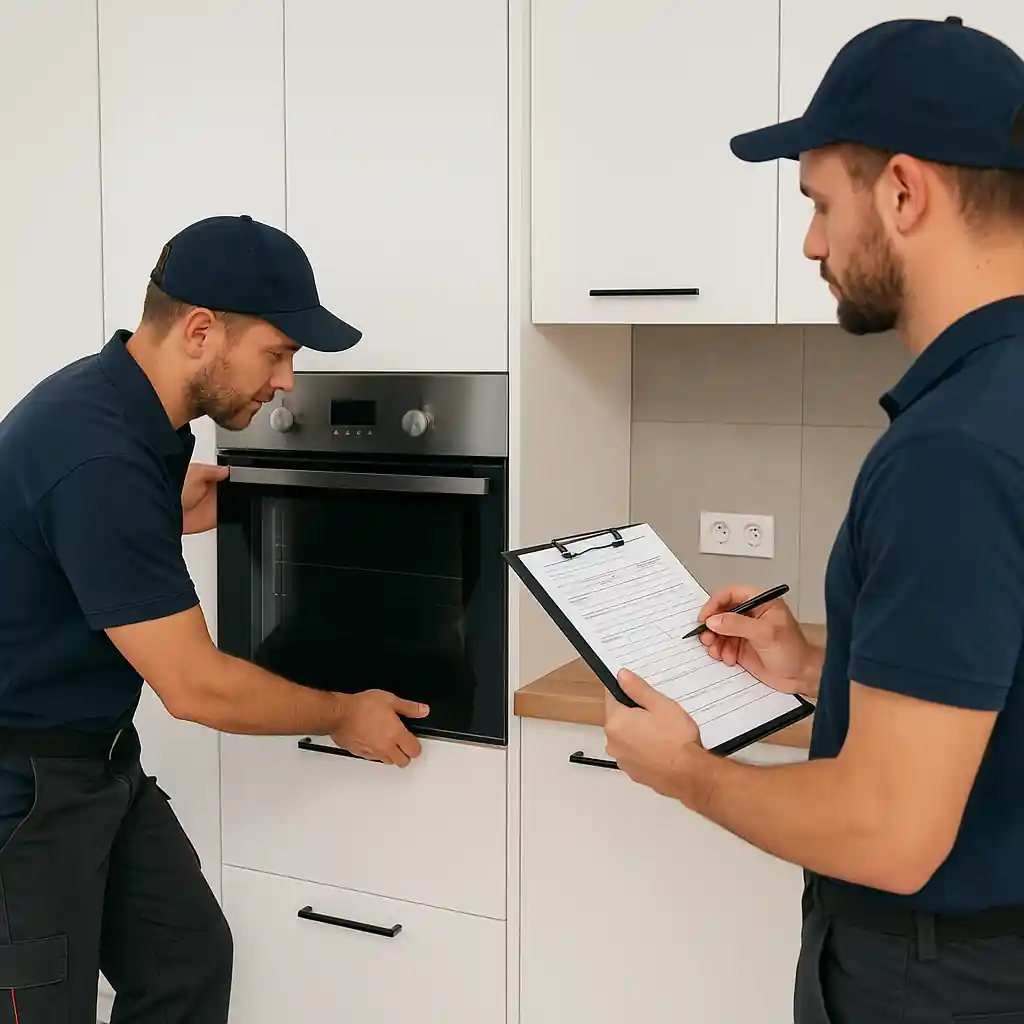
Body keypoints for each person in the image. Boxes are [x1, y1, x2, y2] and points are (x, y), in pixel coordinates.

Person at [602, 16, 1024, 1024]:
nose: (811, 242)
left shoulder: (948, 450)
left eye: (821, 202)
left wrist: (689, 773)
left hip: (934, 981)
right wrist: (812, 670)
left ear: (904, 191)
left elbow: (889, 830)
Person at [0, 214, 429, 1022]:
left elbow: (65, 547)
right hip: (21, 788)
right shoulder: (96, 452)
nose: (288, 382)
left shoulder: (134, 414)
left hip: (98, 762)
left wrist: (159, 510)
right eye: (279, 352)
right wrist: (343, 713)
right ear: (201, 331)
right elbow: (197, 688)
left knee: (186, 960)